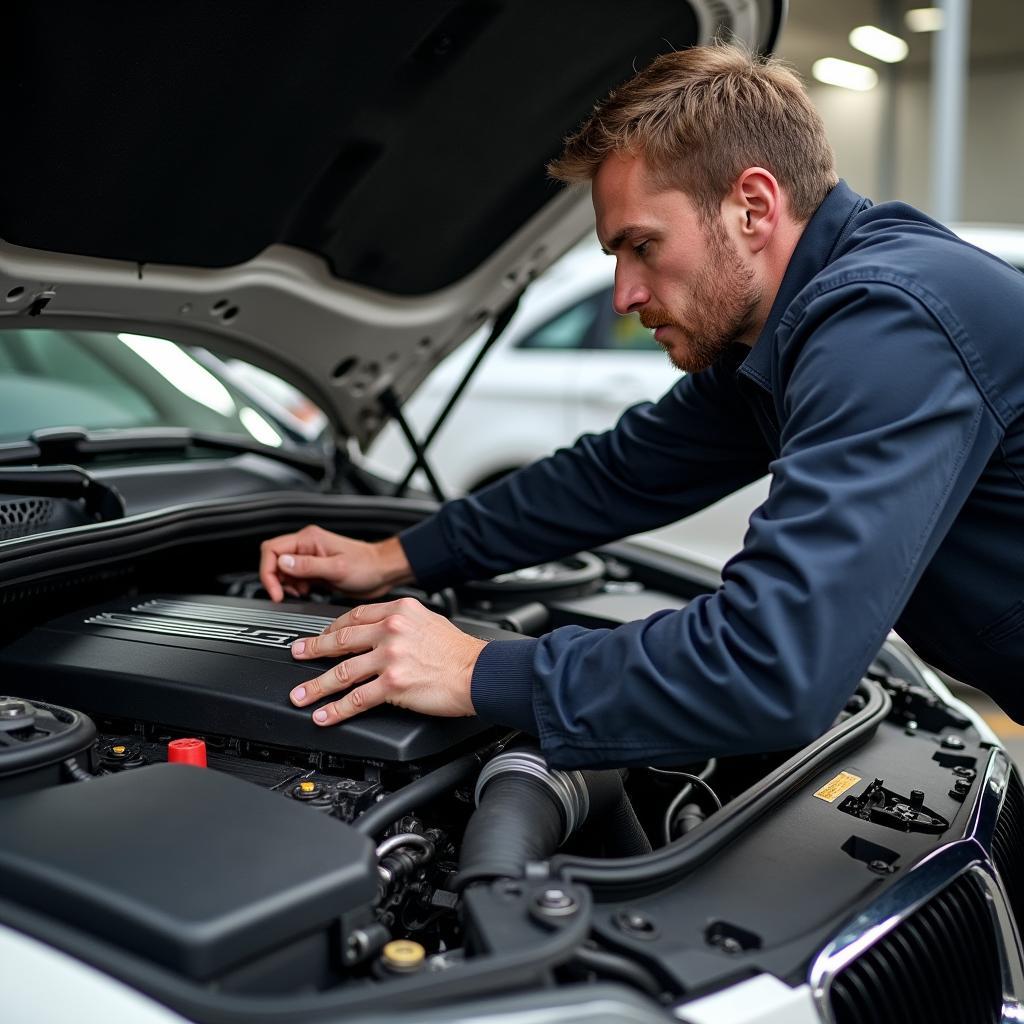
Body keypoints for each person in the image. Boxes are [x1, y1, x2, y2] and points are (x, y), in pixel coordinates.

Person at [259, 44, 1024, 769]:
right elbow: (622, 474)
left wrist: (474, 669)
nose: (624, 294)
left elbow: (770, 665)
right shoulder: (787, 329)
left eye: (643, 246)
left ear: (752, 207)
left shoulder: (886, 320)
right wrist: (394, 558)